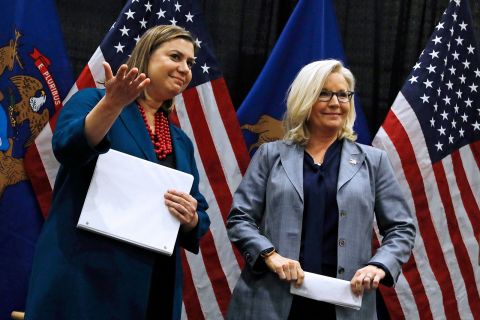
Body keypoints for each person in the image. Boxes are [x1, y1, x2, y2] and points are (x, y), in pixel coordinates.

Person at [24, 25, 210, 320]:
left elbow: (200, 213)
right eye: (175, 56)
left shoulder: (181, 142)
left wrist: (192, 218)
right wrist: (112, 104)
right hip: (84, 275)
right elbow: (68, 148)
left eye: (190, 63)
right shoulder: (92, 101)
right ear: (146, 57)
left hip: (152, 287)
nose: (185, 68)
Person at [226, 59, 416, 320]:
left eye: (343, 94)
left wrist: (378, 266)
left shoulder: (374, 161)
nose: (336, 103)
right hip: (272, 300)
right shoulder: (270, 155)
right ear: (305, 98)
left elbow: (401, 228)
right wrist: (270, 255)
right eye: (324, 93)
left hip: (345, 303)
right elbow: (240, 218)